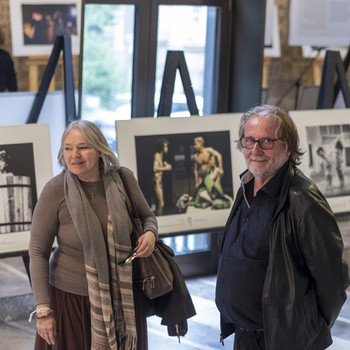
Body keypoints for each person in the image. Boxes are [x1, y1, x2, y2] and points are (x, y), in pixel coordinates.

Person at [215, 105, 349, 350]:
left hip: (282, 340)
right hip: (245, 335)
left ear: (287, 147)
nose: (255, 150)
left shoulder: (304, 202)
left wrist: (307, 333)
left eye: (267, 141)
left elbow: (333, 282)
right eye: (249, 140)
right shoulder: (247, 184)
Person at [29, 120, 157, 350]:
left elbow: (148, 217)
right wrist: (43, 310)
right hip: (72, 300)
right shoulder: (55, 190)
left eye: (83, 147)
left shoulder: (123, 179)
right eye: (68, 148)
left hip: (124, 295)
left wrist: (150, 234)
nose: (74, 155)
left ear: (99, 150)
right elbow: (38, 252)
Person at [153, 138, 172, 215]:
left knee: (161, 204)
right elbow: (154, 169)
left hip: (159, 182)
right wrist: (166, 168)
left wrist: (165, 165)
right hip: (157, 182)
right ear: (161, 147)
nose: (166, 148)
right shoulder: (157, 155)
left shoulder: (160, 156)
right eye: (165, 147)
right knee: (161, 204)